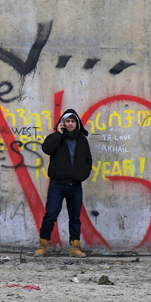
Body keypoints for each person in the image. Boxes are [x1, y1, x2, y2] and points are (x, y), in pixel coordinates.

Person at [34, 109, 92, 258]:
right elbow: (47, 149)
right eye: (67, 121)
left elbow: (88, 160)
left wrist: (81, 175)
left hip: (75, 185)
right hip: (57, 185)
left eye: (72, 121)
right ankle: (43, 245)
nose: (70, 124)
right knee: (51, 214)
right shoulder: (56, 138)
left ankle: (75, 247)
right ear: (63, 123)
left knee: (75, 217)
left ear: (77, 123)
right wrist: (58, 134)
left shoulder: (82, 140)